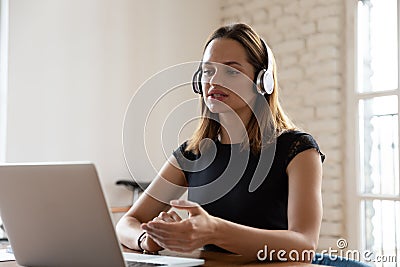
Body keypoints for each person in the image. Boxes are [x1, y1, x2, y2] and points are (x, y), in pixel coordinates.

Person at [116, 23, 325, 262]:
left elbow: (305, 245)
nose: (215, 81)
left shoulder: (298, 149)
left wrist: (215, 230)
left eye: (232, 71)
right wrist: (148, 238)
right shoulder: (192, 152)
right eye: (208, 71)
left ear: (262, 82)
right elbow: (127, 223)